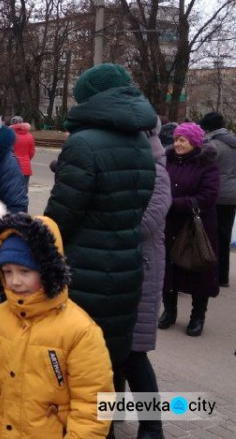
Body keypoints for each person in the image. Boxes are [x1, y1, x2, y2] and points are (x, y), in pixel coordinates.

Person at [44, 63, 156, 394]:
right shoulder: (140, 142)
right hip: (127, 265)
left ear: (91, 99)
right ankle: (118, 423)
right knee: (111, 357)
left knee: (79, 361)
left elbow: (60, 218)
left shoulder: (83, 144)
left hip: (85, 270)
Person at [0, 214, 113, 439]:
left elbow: (93, 405)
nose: (14, 281)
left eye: (25, 271)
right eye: (7, 272)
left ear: (47, 270)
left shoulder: (80, 331)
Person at [123, 120, 171, 439]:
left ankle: (152, 425)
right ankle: (109, 415)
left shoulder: (158, 173)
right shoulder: (121, 168)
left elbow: (148, 222)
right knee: (108, 350)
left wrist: (104, 219)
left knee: (134, 352)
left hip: (142, 269)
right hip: (115, 267)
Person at [159, 123, 220, 337]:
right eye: (176, 139)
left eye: (182, 140)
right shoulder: (167, 161)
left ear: (194, 142)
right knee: (169, 269)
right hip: (169, 225)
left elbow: (209, 197)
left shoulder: (207, 164)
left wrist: (176, 204)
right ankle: (169, 312)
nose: (177, 143)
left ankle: (198, 317)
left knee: (198, 271)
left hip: (196, 226)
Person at [200, 111, 236, 287]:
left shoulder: (212, 145)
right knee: (225, 235)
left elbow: (204, 170)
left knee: (211, 236)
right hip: (232, 194)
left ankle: (212, 275)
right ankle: (223, 277)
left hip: (216, 194)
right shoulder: (233, 141)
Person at [9, 115, 36, 186]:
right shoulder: (30, 136)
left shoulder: (10, 135)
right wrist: (26, 159)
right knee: (23, 191)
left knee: (12, 190)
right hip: (26, 168)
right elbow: (32, 152)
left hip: (12, 167)